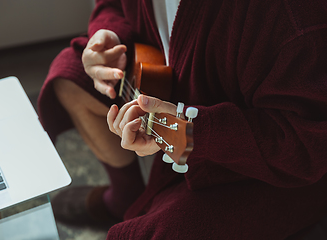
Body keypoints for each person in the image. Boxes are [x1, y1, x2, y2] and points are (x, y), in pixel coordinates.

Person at [37, 0, 327, 239]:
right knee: (69, 73)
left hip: (270, 171)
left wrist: (190, 134)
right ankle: (125, 197)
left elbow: (304, 146)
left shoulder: (291, 16)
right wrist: (107, 35)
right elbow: (111, 5)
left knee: (155, 233)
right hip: (168, 89)